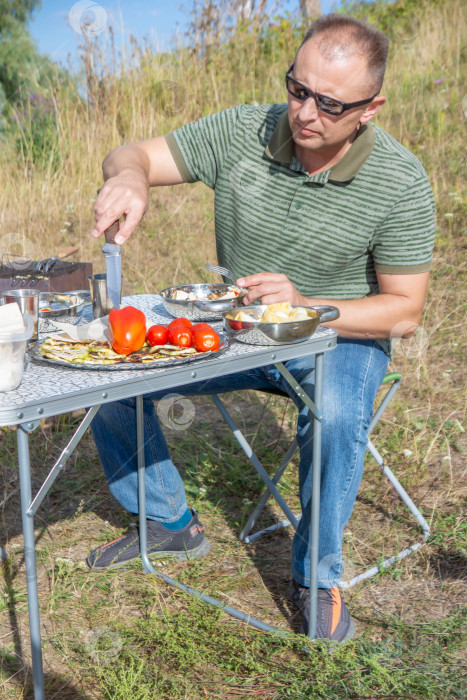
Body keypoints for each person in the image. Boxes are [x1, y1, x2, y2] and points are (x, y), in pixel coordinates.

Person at [87, 14, 435, 641]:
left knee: (334, 410)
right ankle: (168, 521)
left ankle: (316, 578)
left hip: (338, 338)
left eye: (330, 103)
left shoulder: (400, 180)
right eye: (298, 89)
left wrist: (308, 304)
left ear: (370, 108)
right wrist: (131, 176)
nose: (305, 113)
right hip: (236, 328)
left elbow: (403, 310)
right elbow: (132, 152)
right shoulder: (244, 129)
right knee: (113, 361)